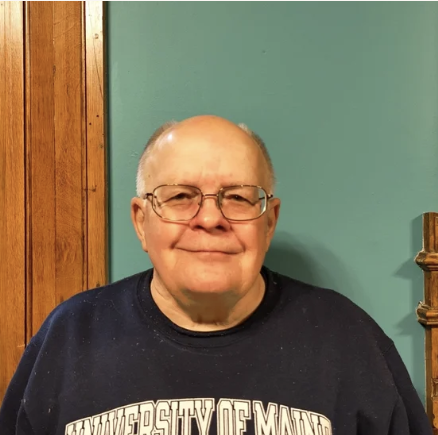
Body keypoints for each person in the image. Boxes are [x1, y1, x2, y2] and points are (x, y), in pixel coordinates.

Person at [0, 115, 432, 435]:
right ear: (141, 222)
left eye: (238, 198)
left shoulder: (348, 339)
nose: (209, 218)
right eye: (180, 196)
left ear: (269, 221)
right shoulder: (69, 337)